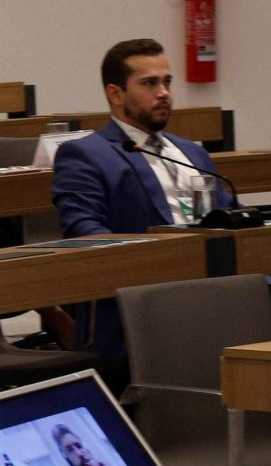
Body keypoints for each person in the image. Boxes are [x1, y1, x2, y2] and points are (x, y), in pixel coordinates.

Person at [50, 38, 234, 353]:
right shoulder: (84, 154)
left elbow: (231, 220)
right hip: (144, 293)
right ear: (115, 94)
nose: (163, 93)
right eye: (149, 83)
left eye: (167, 82)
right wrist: (159, 261)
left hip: (215, 285)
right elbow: (84, 231)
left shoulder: (192, 152)